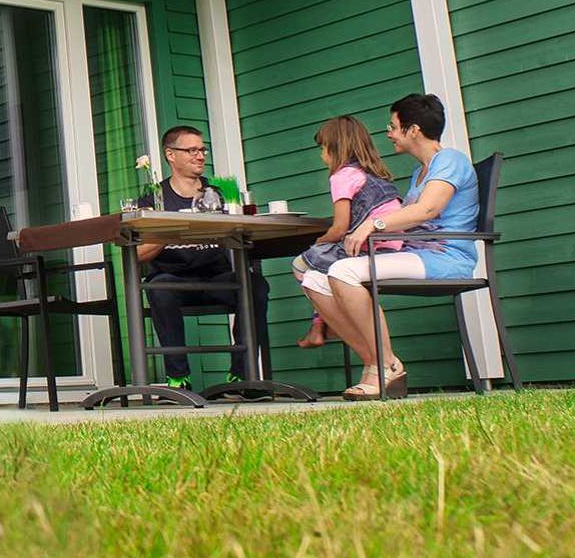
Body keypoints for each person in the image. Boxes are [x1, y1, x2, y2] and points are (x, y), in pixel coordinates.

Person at [298, 92, 482, 400]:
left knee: (343, 271)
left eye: (394, 126)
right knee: (314, 278)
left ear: (413, 130)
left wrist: (374, 225)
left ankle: (385, 366)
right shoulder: (419, 172)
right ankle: (378, 363)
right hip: (416, 253)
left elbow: (427, 210)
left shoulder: (450, 160)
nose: (389, 133)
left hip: (446, 257)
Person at [135, 125, 268, 392]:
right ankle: (178, 379)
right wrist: (176, 230)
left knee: (256, 285)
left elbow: (240, 233)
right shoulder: (154, 198)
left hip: (216, 277)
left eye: (202, 149)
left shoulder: (217, 193)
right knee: (159, 289)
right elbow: (138, 254)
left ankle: (243, 375)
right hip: (173, 279)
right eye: (192, 150)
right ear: (170, 155)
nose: (200, 156)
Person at [291, 116, 404, 349]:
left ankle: (326, 322)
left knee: (301, 264)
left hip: (371, 249)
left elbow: (340, 228)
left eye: (323, 147)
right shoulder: (375, 174)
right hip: (393, 247)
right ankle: (321, 325)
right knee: (320, 271)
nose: (322, 155)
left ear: (335, 149)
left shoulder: (341, 176)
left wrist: (319, 241)